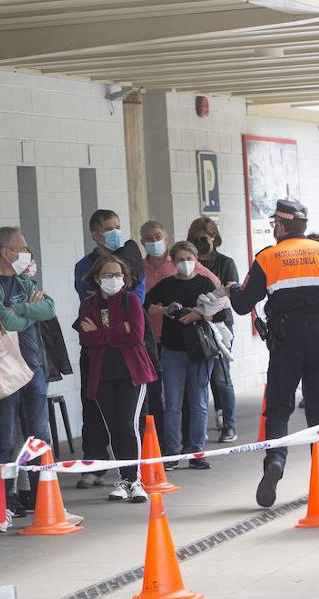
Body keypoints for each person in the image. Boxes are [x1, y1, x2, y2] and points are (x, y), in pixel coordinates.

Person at [228, 199, 319, 508]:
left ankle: (276, 462)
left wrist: (232, 289)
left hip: (285, 340)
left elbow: (243, 306)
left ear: (282, 226)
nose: (273, 229)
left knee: (279, 408)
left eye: (274, 225)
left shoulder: (267, 258)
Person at [0, 227, 56, 516]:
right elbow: (3, 320)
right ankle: (3, 502)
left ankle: (42, 496)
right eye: (21, 248)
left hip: (33, 368)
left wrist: (18, 310)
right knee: (4, 438)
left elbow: (49, 308)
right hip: (4, 372)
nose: (26, 253)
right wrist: (24, 313)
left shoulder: (24, 280)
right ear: (4, 252)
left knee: (39, 436)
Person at [74, 209, 147, 489]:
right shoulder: (83, 267)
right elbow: (87, 332)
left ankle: (132, 478)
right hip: (99, 364)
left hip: (130, 363)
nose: (116, 232)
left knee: (128, 422)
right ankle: (99, 466)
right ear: (95, 233)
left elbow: (134, 323)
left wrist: (104, 332)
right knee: (99, 416)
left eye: (118, 226)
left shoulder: (131, 265)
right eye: (108, 228)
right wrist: (118, 330)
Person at [139, 220, 220, 465]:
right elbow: (146, 306)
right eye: (180, 259)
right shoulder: (166, 285)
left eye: (189, 258)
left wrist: (199, 313)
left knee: (199, 402)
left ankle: (196, 451)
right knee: (172, 403)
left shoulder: (206, 283)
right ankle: (172, 453)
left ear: (196, 259)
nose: (185, 263)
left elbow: (221, 311)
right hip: (172, 348)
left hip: (199, 349)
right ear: (172, 262)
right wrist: (164, 310)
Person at [188, 216, 239, 443]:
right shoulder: (189, 262)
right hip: (194, 322)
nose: (198, 243)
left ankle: (229, 424)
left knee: (220, 376)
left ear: (213, 237)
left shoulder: (225, 263)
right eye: (193, 239)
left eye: (202, 238)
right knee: (199, 378)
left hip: (219, 322)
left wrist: (206, 309)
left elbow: (230, 292)